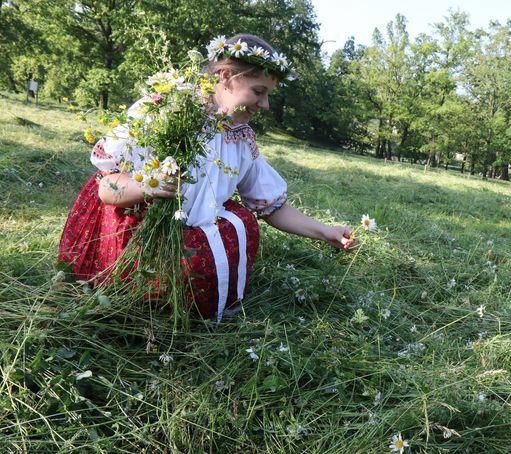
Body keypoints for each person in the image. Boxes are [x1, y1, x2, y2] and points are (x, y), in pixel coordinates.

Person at [58, 34, 354, 321]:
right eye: (258, 92)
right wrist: (152, 186)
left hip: (187, 231)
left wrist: (325, 231)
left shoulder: (240, 137)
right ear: (225, 76)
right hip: (135, 228)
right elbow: (108, 189)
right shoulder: (164, 111)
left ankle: (193, 307)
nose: (265, 106)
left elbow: (271, 206)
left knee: (240, 222)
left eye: (267, 95)